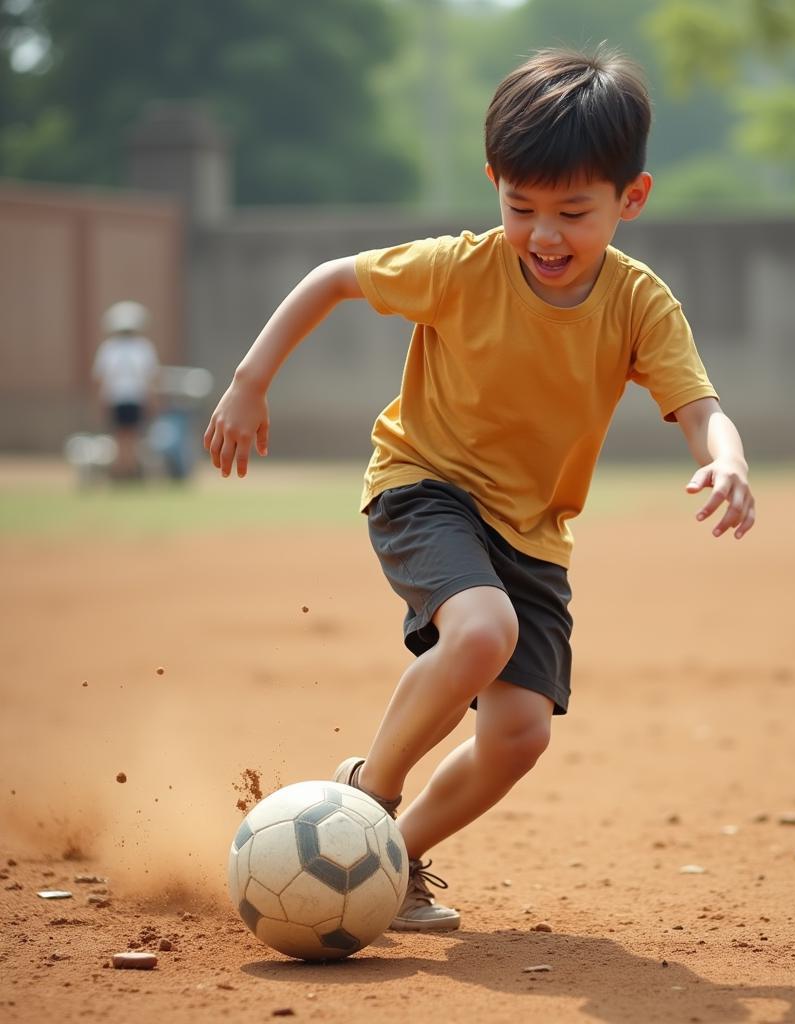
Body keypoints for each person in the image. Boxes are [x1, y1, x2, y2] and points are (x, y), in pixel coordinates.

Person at [204, 47, 756, 932]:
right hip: (427, 485)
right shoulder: (462, 267)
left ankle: (394, 859)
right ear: (495, 182)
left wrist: (725, 458)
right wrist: (248, 380)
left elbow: (700, 408)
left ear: (632, 199)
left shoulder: (640, 305)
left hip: (533, 533)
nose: (544, 234)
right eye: (521, 206)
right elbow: (334, 278)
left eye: (574, 212)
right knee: (482, 630)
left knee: (519, 734)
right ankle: (366, 797)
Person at [93, 300, 160, 480]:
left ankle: (121, 471)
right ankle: (129, 471)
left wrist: (101, 402)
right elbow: (149, 378)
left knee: (120, 437)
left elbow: (101, 379)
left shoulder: (108, 348)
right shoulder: (143, 347)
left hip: (116, 398)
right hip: (135, 398)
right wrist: (153, 402)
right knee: (132, 437)